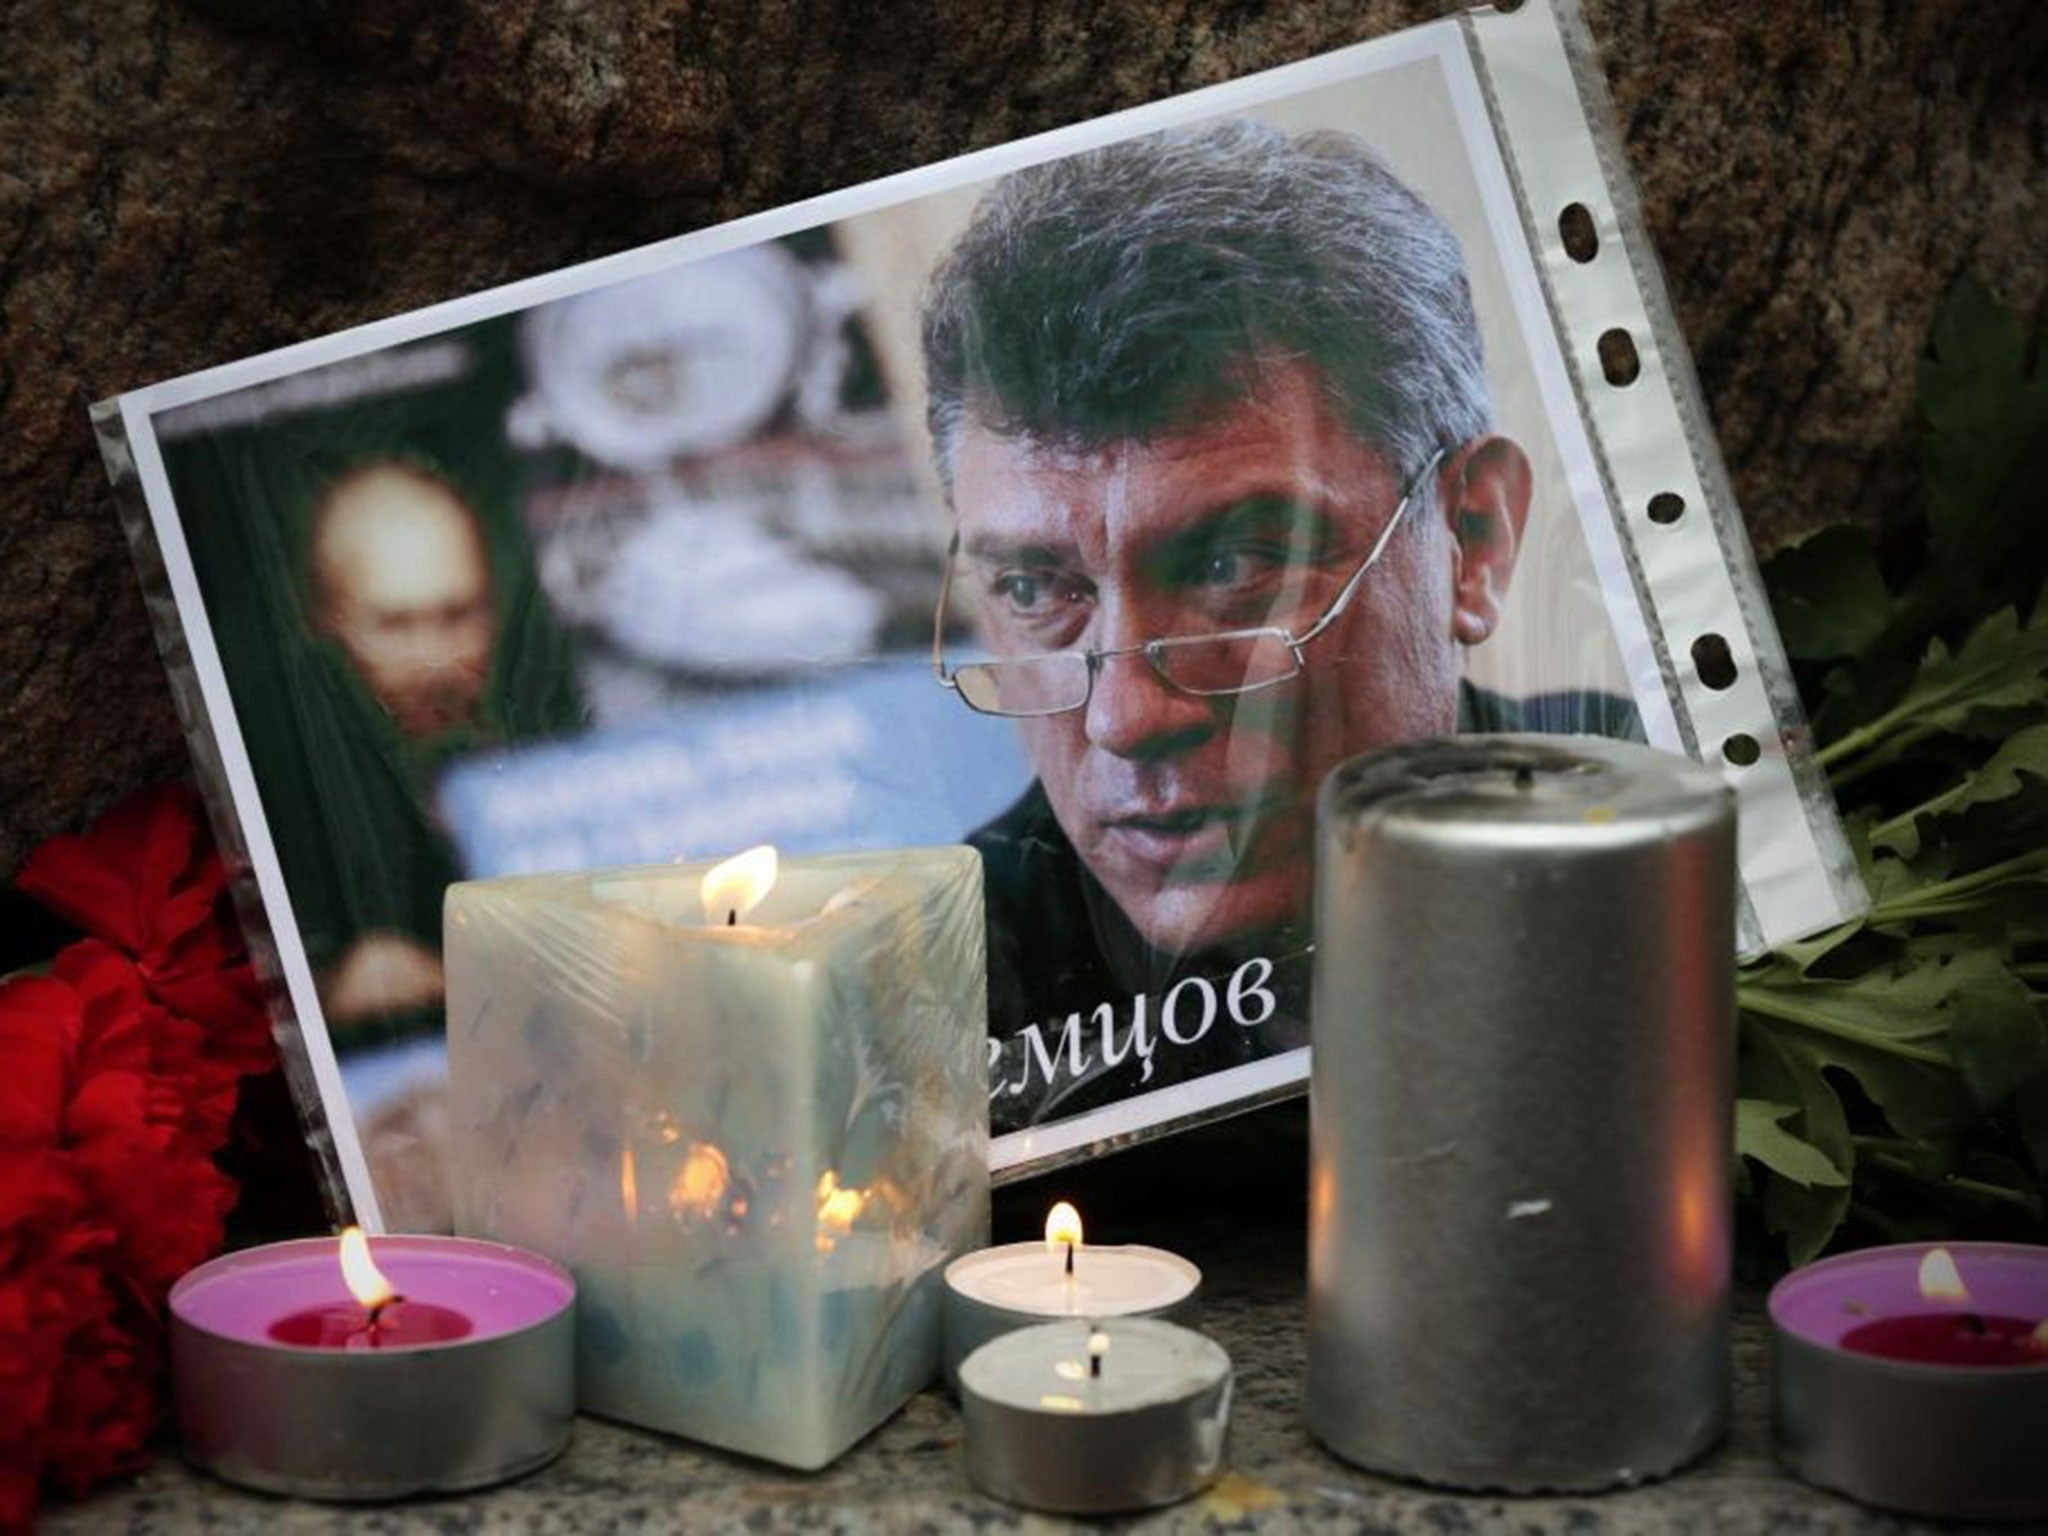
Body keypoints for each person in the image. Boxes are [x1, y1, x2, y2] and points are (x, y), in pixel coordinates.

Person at [919, 119, 1639, 1127]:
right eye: (1037, 591)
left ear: (1470, 540)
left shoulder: (1655, 818)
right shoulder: (920, 1012)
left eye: (1229, 566)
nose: (1121, 719)